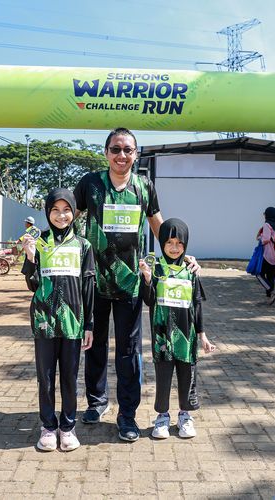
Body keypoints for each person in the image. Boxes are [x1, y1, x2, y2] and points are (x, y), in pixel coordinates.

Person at [73, 127, 199, 442]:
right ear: (106, 153)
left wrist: (178, 255)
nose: (121, 155)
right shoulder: (90, 184)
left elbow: (159, 225)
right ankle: (96, 402)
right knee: (94, 345)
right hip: (94, 280)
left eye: (127, 150)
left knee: (129, 352)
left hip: (131, 282)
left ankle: (127, 415)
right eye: (116, 149)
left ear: (136, 154)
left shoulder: (144, 186)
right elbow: (65, 217)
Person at [22, 188, 95, 452]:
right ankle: (48, 427)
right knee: (45, 377)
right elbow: (32, 284)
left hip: (73, 323)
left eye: (66, 210)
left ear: (74, 212)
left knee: (69, 378)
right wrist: (30, 257)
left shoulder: (83, 245)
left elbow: (88, 287)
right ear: (47, 212)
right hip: (44, 321)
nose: (61, 216)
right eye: (55, 210)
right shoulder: (39, 241)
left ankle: (67, 427)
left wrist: (89, 325)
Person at [138, 218, 215, 440]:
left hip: (186, 338)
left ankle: (185, 415)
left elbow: (196, 306)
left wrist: (202, 336)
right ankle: (162, 416)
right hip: (162, 336)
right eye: (169, 242)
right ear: (161, 242)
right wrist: (147, 278)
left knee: (187, 376)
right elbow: (149, 300)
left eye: (179, 243)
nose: (174, 248)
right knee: (163, 376)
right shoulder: (156, 269)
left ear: (186, 244)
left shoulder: (190, 270)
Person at [256, 207, 275, 304]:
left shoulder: (267, 225)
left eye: (265, 213)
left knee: (259, 274)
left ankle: (272, 292)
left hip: (269, 255)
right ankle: (269, 298)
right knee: (271, 277)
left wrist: (259, 237)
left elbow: (266, 239)